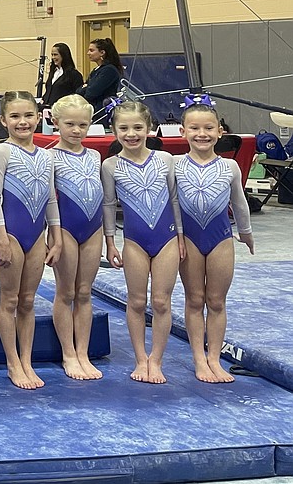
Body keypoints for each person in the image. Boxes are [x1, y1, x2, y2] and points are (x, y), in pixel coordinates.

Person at [174, 96, 254, 383]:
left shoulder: (229, 167)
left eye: (208, 128)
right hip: (189, 240)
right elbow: (171, 204)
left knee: (217, 301)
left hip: (221, 238)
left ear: (220, 131)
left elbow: (240, 202)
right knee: (195, 299)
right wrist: (176, 238)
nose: (202, 134)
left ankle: (214, 358)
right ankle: (198, 358)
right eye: (194, 128)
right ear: (182, 132)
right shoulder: (174, 165)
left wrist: (246, 233)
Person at [102, 100, 182, 384]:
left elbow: (174, 200)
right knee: (136, 301)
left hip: (168, 238)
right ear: (113, 130)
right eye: (123, 128)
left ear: (150, 128)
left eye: (138, 127)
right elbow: (109, 205)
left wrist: (181, 237)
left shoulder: (165, 160)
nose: (131, 133)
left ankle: (156, 360)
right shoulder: (110, 166)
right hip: (134, 240)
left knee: (161, 301)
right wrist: (110, 242)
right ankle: (140, 358)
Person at [0, 91, 62, 389]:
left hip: (37, 235)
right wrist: (1, 237)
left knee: (28, 301)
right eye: (15, 116)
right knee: (10, 299)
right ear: (3, 120)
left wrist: (54, 237)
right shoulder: (1, 152)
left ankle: (27, 359)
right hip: (13, 236)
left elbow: (50, 199)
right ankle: (12, 362)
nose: (22, 122)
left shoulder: (47, 156)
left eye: (28, 115)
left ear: (38, 116)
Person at [48, 95, 105, 380]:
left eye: (83, 124)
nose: (76, 130)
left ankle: (82, 352)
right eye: (69, 124)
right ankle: (68, 353)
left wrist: (109, 236)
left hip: (92, 229)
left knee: (84, 292)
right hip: (65, 230)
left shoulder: (95, 157)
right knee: (66, 292)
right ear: (55, 122)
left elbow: (103, 198)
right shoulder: (49, 157)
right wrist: (54, 237)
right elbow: (47, 201)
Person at [81, 37, 123, 117]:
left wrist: (86, 87)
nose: (88, 53)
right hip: (93, 111)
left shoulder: (109, 70)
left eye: (91, 50)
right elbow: (79, 91)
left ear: (102, 52)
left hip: (103, 112)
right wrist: (87, 87)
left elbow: (91, 93)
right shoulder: (95, 70)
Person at [43, 43, 84, 110]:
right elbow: (49, 91)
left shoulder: (74, 74)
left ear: (63, 55)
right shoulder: (53, 72)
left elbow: (77, 95)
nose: (53, 57)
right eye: (52, 55)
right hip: (48, 110)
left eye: (55, 55)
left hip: (63, 111)